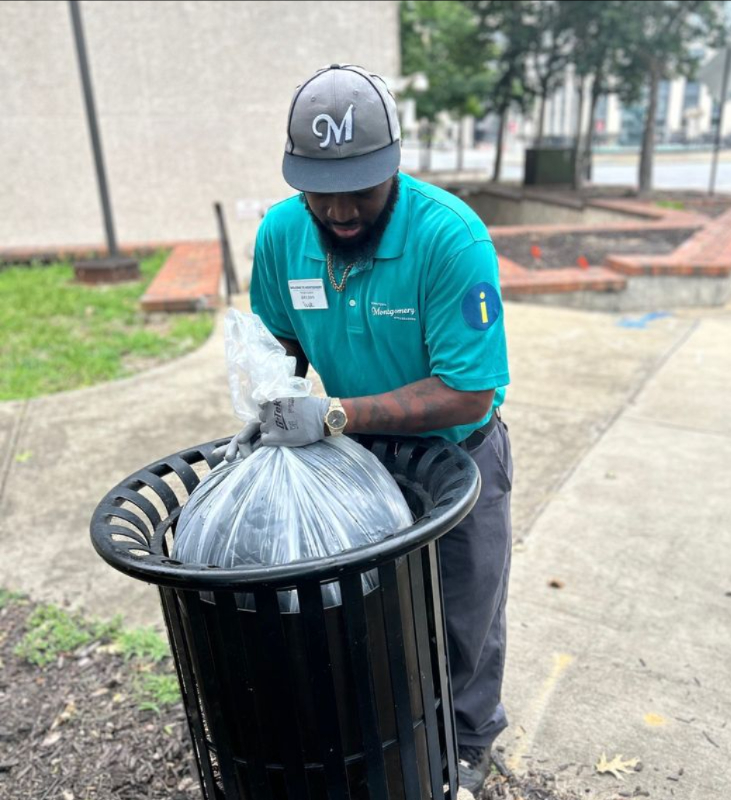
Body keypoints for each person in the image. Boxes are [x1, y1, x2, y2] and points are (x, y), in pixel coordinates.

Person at [232, 63, 512, 797]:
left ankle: (470, 742)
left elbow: (468, 389)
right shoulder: (282, 235)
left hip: (459, 460)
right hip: (360, 464)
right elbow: (280, 344)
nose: (340, 207)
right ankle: (387, 728)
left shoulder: (451, 239)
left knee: (462, 617)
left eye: (361, 185)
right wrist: (268, 406)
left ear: (394, 162)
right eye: (320, 189)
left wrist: (334, 414)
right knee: (371, 616)